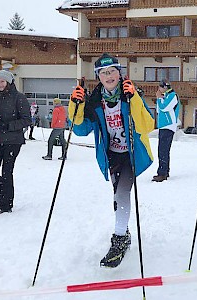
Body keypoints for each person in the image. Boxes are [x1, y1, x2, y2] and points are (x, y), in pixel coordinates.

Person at [68, 53, 154, 268]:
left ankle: (119, 238)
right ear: (98, 77)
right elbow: (79, 129)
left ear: (119, 73)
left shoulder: (130, 95)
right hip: (111, 154)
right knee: (118, 194)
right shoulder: (94, 101)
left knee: (122, 192)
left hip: (131, 154)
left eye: (112, 71)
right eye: (103, 73)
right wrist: (75, 105)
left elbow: (147, 125)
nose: (108, 76)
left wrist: (133, 98)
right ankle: (123, 233)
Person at [0, 70, 31, 215]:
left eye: (2, 81)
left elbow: (26, 120)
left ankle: (6, 203)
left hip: (13, 140)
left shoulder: (19, 98)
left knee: (7, 171)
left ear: (9, 82)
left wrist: (9, 125)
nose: (0, 85)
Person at [152, 79, 180, 182]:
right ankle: (164, 171)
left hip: (169, 125)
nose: (158, 89)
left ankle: (162, 173)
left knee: (163, 150)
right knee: (162, 150)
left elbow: (164, 107)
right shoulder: (165, 97)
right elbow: (158, 110)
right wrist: (160, 99)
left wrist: (159, 99)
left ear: (164, 87)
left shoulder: (172, 95)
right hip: (163, 125)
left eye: (160, 87)